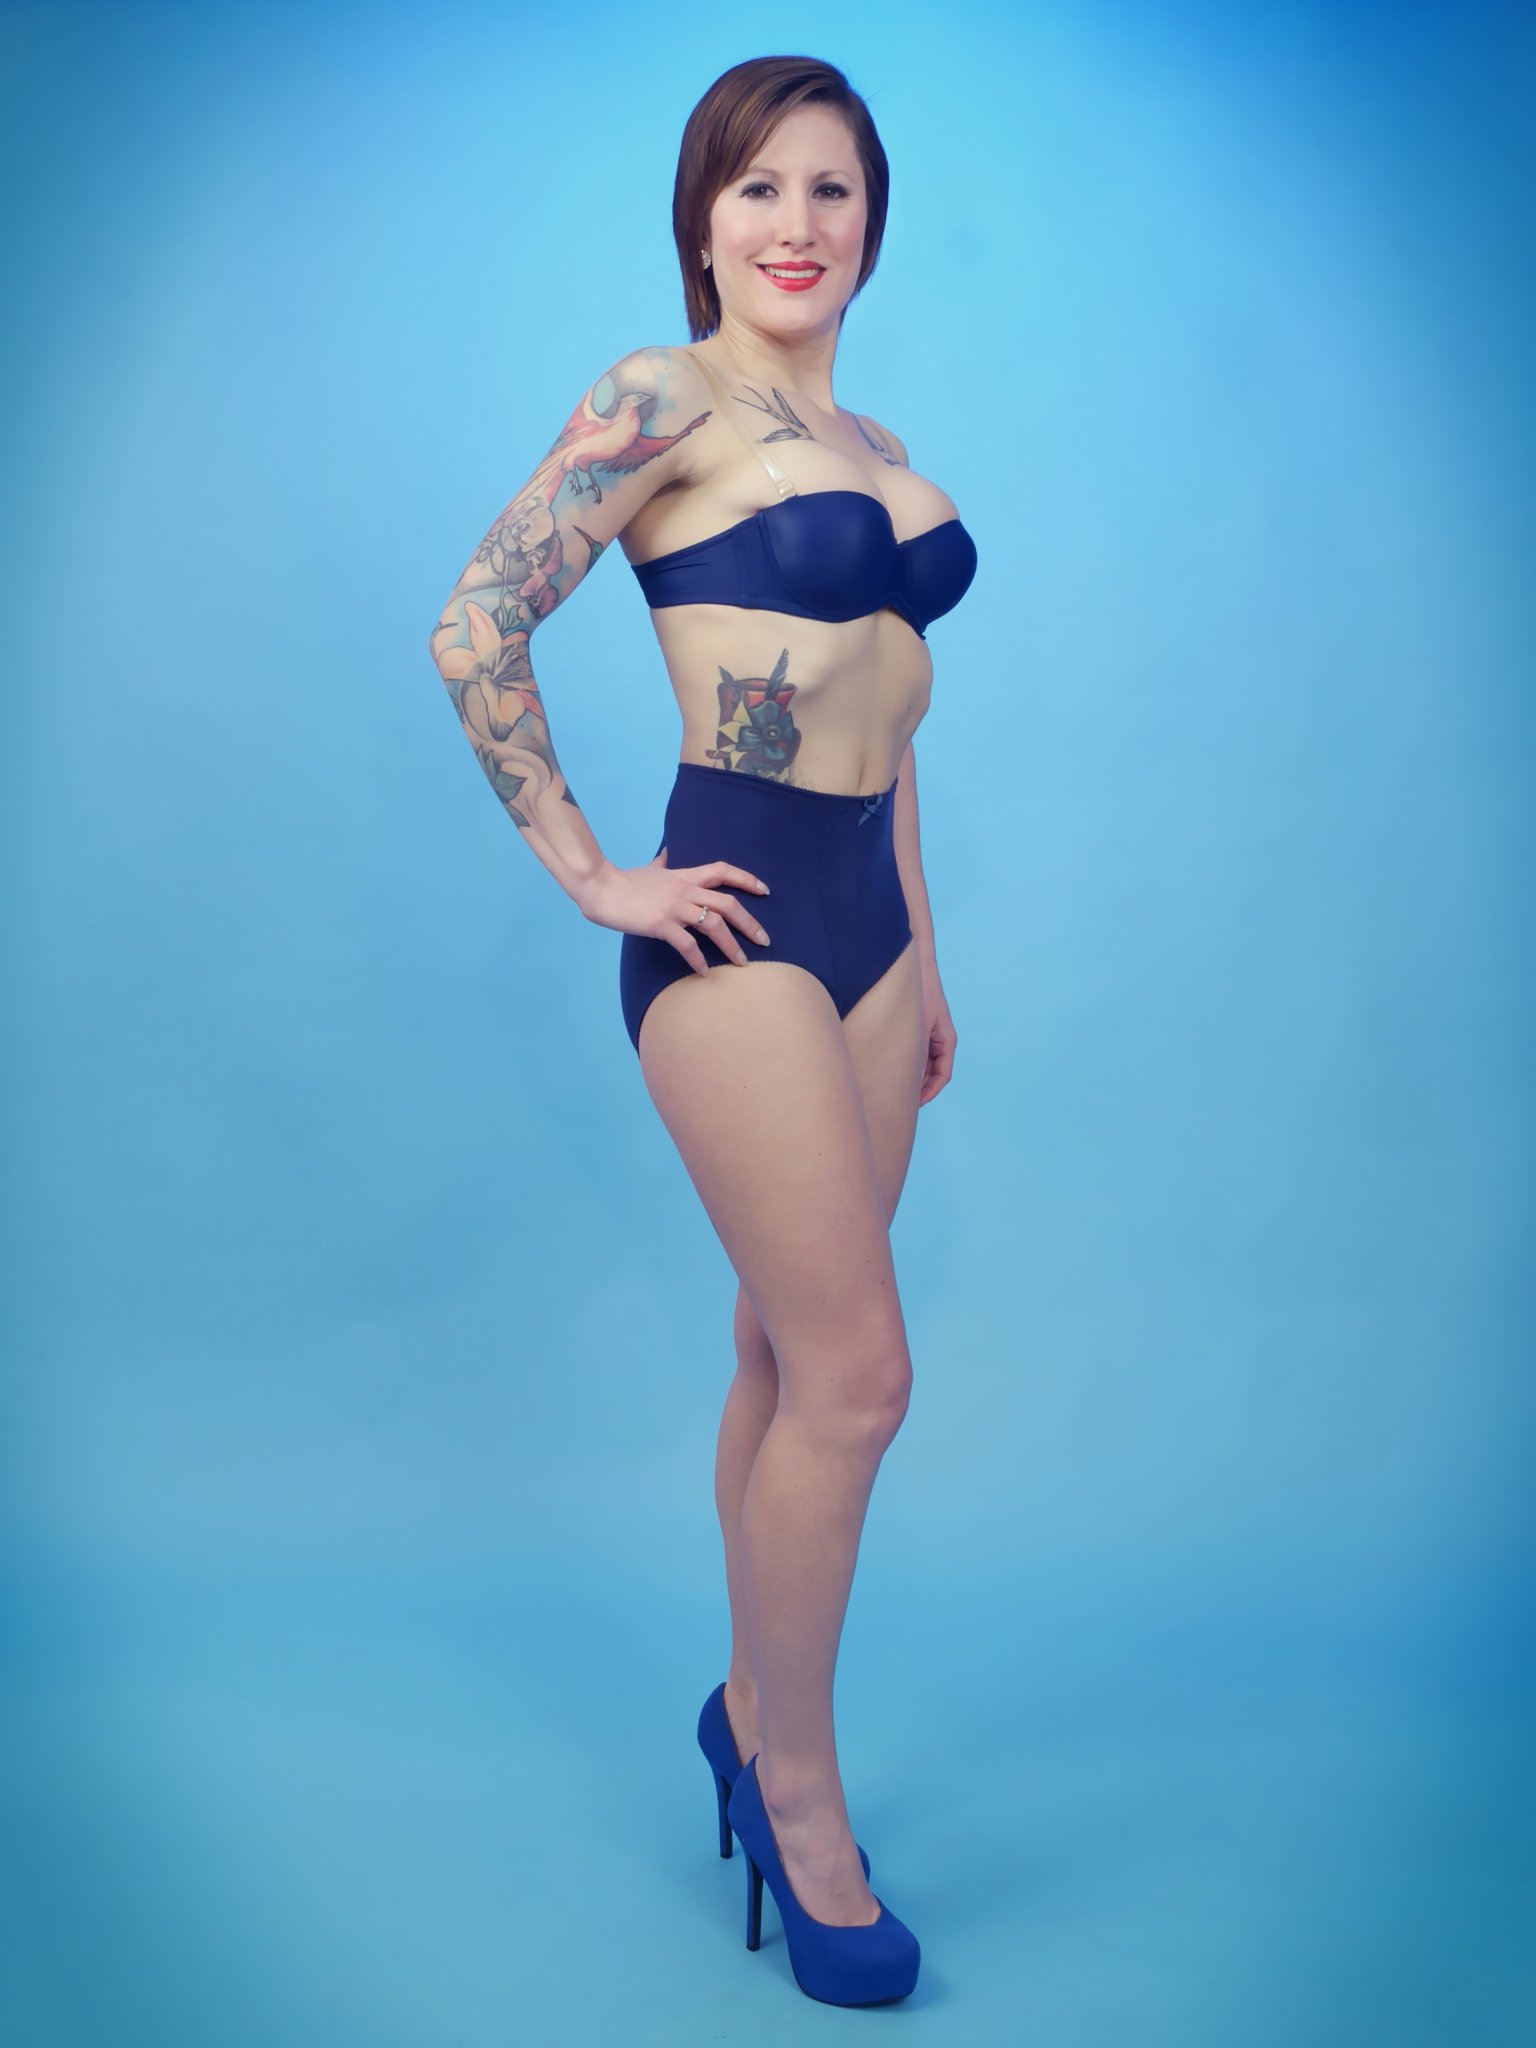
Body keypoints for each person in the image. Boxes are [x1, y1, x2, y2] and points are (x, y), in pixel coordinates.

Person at [427, 54, 976, 2007]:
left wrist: (927, 955)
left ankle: (750, 1706)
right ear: (704, 218)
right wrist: (596, 875)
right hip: (734, 920)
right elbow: (479, 622)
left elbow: (888, 709)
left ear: (870, 224)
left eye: (832, 190)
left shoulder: (875, 437)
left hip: (871, 933)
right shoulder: (663, 397)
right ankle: (791, 1786)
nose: (796, 224)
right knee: (859, 1377)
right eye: (759, 188)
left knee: (778, 1347)